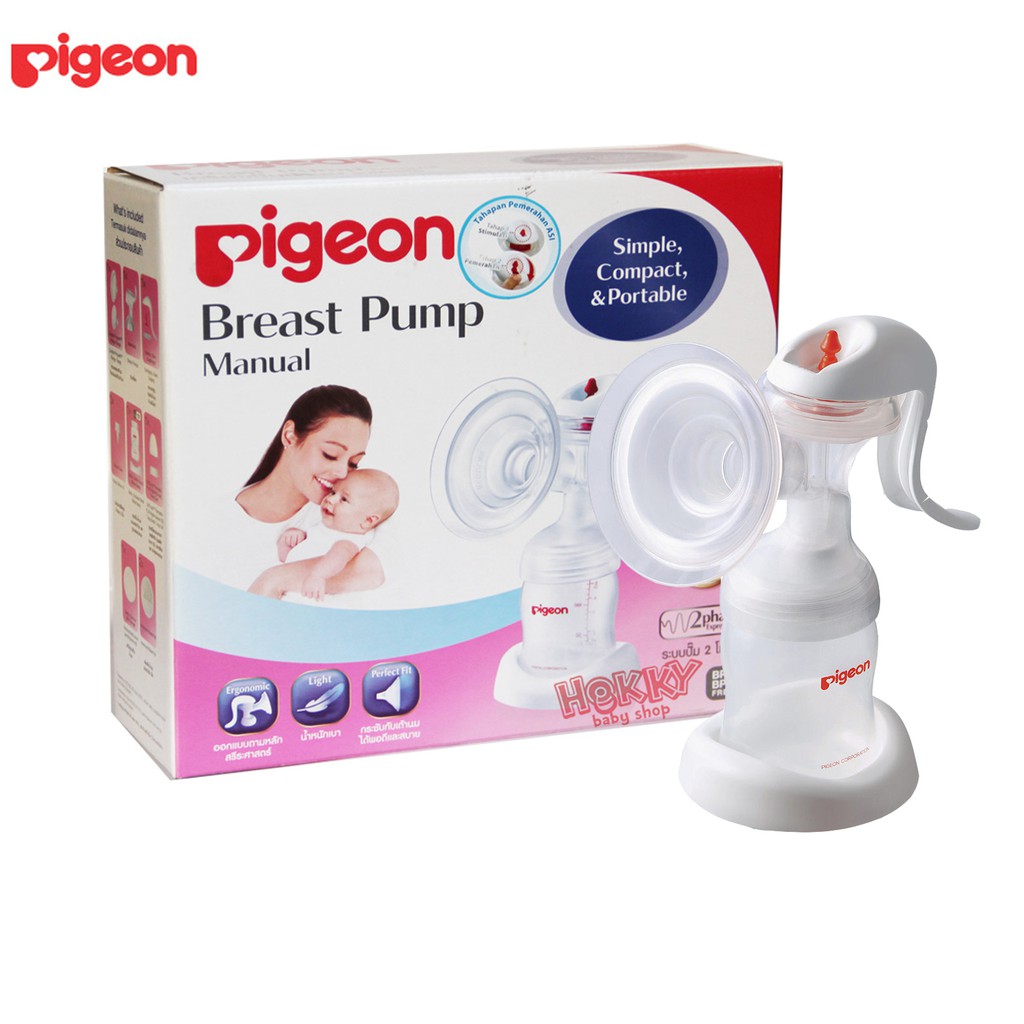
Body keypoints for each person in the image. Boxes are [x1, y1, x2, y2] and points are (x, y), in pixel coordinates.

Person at [229, 385, 384, 592]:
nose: (342, 473)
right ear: (289, 436)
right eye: (330, 454)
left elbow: (374, 571)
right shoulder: (215, 523)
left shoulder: (363, 508)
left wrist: (273, 580)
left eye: (353, 463)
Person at [249, 469, 399, 600]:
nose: (330, 499)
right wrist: (288, 541)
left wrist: (318, 576)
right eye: (333, 492)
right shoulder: (318, 528)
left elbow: (337, 558)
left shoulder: (348, 541)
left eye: (344, 499)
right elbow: (286, 562)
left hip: (310, 594)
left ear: (368, 520)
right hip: (289, 589)